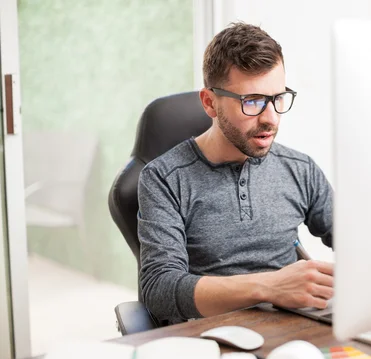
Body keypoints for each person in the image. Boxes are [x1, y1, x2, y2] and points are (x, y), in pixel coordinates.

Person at [137, 22, 334, 325]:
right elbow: (159, 289)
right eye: (252, 102)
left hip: (296, 332)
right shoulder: (164, 178)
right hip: (213, 339)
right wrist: (271, 286)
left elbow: (358, 243)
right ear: (209, 102)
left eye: (278, 99)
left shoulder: (300, 169)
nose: (270, 119)